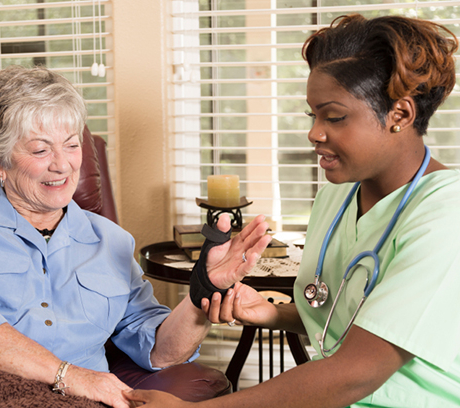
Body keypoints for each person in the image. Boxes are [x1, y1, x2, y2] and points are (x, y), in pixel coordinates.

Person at [125, 14, 460, 408]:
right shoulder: (335, 199)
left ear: (399, 115)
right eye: (312, 115)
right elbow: (347, 313)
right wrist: (272, 313)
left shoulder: (445, 217)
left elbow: (357, 372)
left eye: (334, 117)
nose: (315, 133)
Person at [0, 65, 272, 408]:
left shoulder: (110, 240)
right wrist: (70, 376)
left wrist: (202, 291)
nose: (62, 164)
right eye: (40, 149)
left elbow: (158, 350)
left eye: (72, 144)